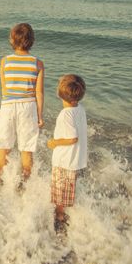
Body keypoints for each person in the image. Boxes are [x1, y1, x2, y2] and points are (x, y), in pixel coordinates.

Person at [0, 23, 44, 188]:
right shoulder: (37, 64)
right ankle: (25, 184)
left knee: (4, 147)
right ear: (32, 41)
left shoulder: (4, 61)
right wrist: (40, 116)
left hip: (8, 105)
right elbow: (39, 93)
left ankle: (0, 180)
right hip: (28, 107)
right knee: (26, 150)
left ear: (12, 40)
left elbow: (4, 88)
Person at [47, 74, 87, 233]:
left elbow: (72, 138)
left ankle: (60, 218)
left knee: (59, 194)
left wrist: (54, 142)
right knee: (67, 190)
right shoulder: (80, 109)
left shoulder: (65, 114)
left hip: (64, 160)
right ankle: (64, 215)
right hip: (74, 159)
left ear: (59, 93)